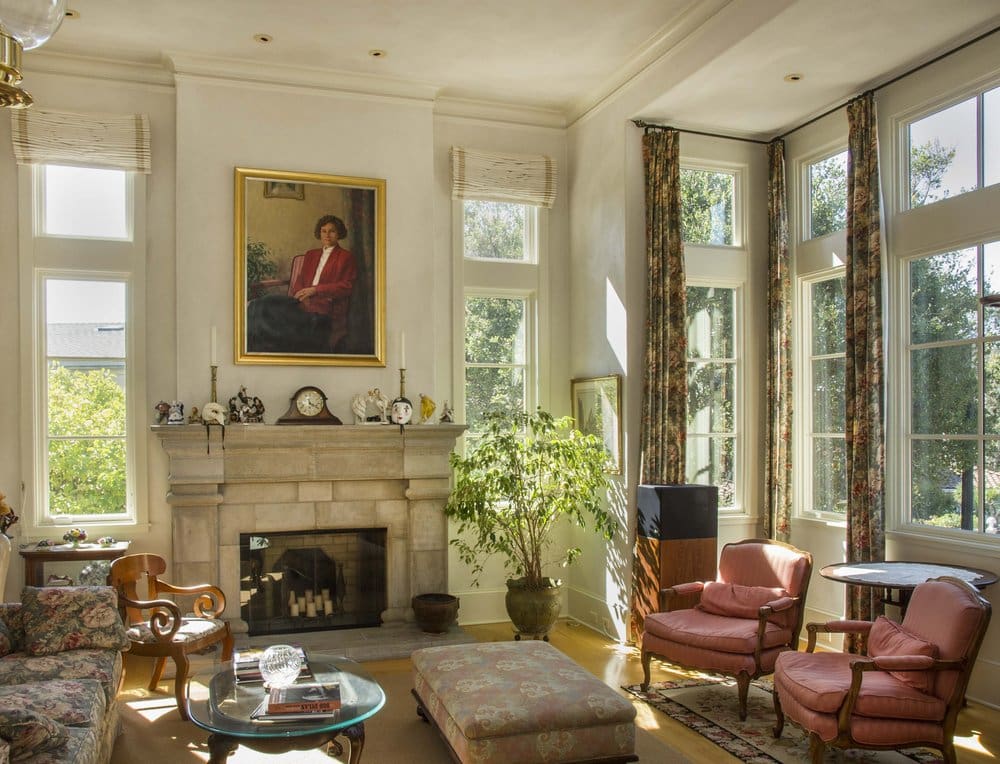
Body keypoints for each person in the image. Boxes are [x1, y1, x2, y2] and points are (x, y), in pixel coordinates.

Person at [288, 214, 357, 352]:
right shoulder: (311, 254)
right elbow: (300, 280)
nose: (327, 235)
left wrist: (316, 290)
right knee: (267, 306)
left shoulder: (346, 257)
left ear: (339, 234)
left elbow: (347, 286)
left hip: (328, 303)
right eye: (323, 231)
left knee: (310, 326)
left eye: (332, 231)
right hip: (303, 299)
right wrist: (300, 295)